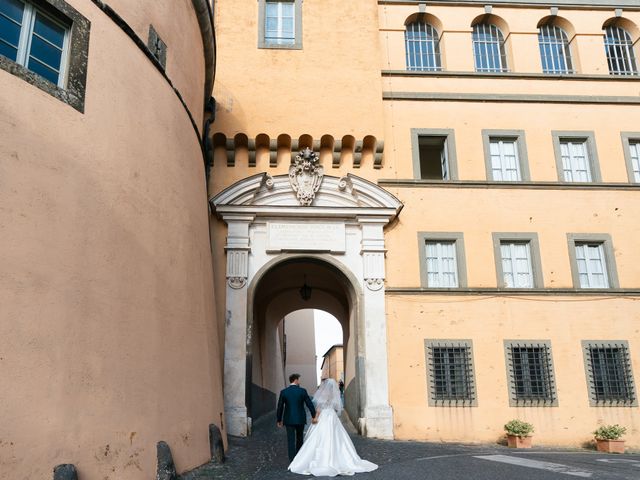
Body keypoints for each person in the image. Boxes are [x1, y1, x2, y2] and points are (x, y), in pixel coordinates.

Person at [288, 378, 378, 477]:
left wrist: (315, 418)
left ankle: (318, 459)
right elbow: (336, 407)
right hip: (332, 416)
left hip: (324, 416)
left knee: (320, 437)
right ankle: (340, 459)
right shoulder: (334, 394)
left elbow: (318, 408)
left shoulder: (323, 394)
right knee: (336, 436)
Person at [277, 373, 317, 461]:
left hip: (289, 419)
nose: (299, 381)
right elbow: (309, 404)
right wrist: (314, 415)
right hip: (300, 419)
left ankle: (292, 460)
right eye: (299, 379)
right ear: (295, 380)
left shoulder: (284, 392)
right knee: (299, 439)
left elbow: (280, 407)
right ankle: (299, 458)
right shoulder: (302, 391)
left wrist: (279, 419)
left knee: (290, 440)